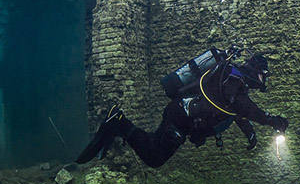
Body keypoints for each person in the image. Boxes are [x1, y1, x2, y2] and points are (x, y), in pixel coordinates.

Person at [76, 51, 288, 168]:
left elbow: (236, 110)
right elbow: (245, 108)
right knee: (155, 158)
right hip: (181, 118)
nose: (263, 81)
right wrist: (272, 120)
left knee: (154, 150)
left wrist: (250, 134)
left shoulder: (232, 79)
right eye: (263, 76)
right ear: (256, 70)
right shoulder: (234, 79)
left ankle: (118, 125)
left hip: (181, 115)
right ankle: (118, 122)